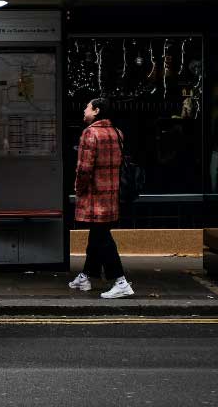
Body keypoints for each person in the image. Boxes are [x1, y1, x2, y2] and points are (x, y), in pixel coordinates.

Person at [68, 97, 134, 298]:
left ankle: (120, 280)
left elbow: (84, 169)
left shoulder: (90, 133)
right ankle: (86, 275)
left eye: (87, 107)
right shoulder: (117, 132)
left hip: (95, 195)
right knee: (97, 234)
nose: (84, 110)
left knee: (103, 237)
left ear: (96, 111)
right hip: (111, 194)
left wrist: (78, 189)